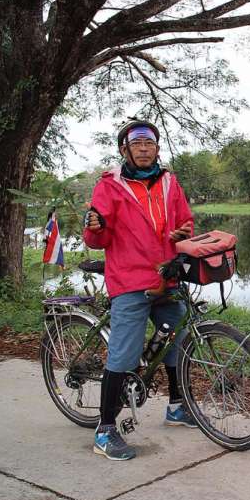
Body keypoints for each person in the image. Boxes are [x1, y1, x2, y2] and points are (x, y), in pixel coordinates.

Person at [83, 120, 196, 461]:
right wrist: (95, 227)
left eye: (150, 143)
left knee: (177, 337)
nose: (145, 148)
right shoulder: (110, 185)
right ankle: (104, 430)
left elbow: (185, 222)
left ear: (157, 149)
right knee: (124, 354)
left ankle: (177, 407)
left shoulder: (169, 182)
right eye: (138, 143)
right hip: (130, 279)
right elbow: (97, 237)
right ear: (125, 150)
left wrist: (183, 237)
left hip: (167, 276)